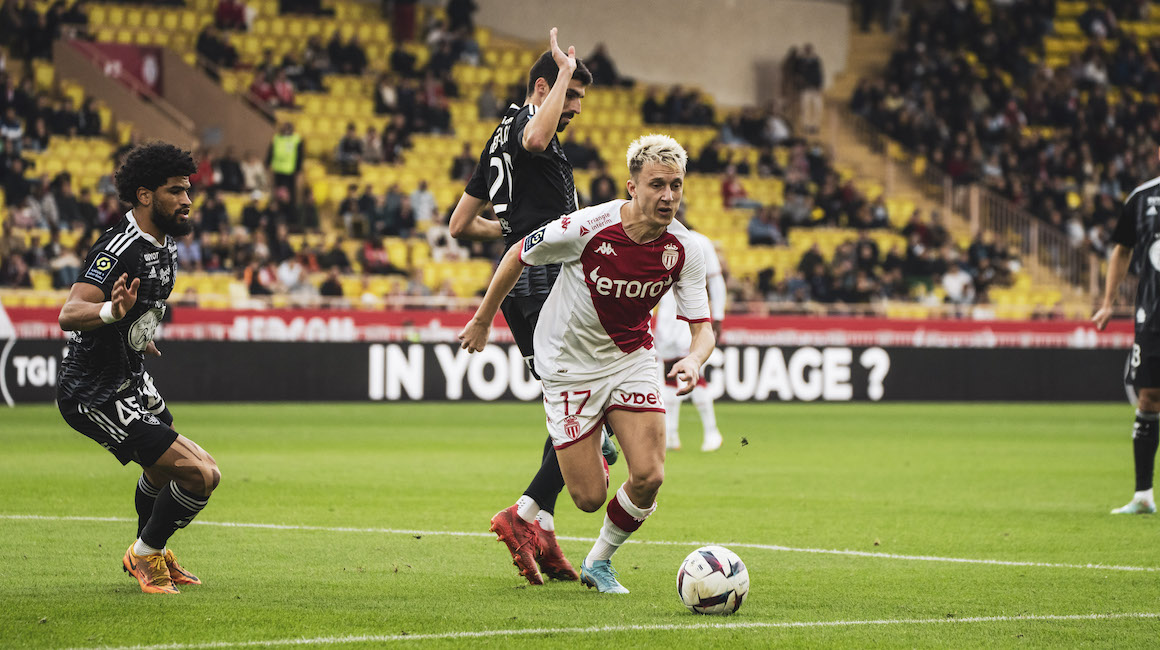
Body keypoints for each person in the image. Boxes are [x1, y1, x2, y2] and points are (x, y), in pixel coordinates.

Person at [459, 134, 713, 593]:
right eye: (657, 185)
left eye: (676, 185)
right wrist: (482, 319)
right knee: (589, 497)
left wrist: (694, 360)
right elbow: (518, 253)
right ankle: (595, 441)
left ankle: (599, 561)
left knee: (650, 476)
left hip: (631, 358)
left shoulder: (685, 248)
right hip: (567, 364)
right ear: (632, 187)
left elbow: (703, 329)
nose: (668, 196)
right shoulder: (589, 225)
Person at [447, 28, 610, 586]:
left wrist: (513, 229)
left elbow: (459, 224)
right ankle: (526, 513)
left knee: (570, 405)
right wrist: (563, 74)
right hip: (544, 281)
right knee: (591, 411)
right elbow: (538, 138)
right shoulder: (527, 125)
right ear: (543, 87)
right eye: (571, 97)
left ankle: (541, 523)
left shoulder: (497, 139)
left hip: (524, 277)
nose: (575, 110)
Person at [55, 142, 221, 594]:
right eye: (176, 191)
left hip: (130, 377)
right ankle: (145, 553)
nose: (187, 200)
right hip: (94, 390)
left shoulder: (165, 245)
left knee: (168, 468)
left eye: (188, 190)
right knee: (201, 475)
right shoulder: (119, 247)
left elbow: (135, 310)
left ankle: (152, 551)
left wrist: (136, 332)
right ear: (145, 195)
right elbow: (69, 313)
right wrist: (112, 311)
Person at [1093, 166, 1160, 515]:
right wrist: (1108, 303)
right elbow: (1122, 250)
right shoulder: (1142, 197)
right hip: (1153, 313)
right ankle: (1143, 495)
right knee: (1148, 397)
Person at [655, 216, 727, 452]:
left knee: (693, 369)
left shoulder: (700, 242)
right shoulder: (656, 239)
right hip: (667, 315)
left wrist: (718, 315)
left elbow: (716, 281)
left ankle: (712, 432)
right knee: (668, 371)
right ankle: (671, 435)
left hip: (690, 313)